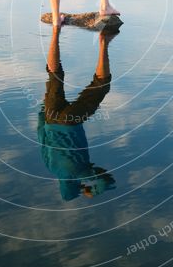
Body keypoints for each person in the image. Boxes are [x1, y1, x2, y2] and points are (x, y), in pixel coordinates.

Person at [37, 27, 116, 201]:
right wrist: (44, 109)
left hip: (70, 122)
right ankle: (55, 31)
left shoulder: (82, 173)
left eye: (80, 187)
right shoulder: (51, 167)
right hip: (50, 117)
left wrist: (92, 192)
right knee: (54, 75)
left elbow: (108, 182)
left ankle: (103, 41)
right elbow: (40, 135)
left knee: (101, 86)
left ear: (75, 185)